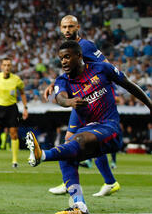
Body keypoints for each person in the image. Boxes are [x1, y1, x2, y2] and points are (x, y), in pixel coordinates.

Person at [26, 40, 152, 214]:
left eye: (67, 57)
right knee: (67, 154)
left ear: (79, 56)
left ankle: (44, 154)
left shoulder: (102, 69)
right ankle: (79, 205)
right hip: (89, 130)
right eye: (61, 58)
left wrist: (150, 104)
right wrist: (69, 101)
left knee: (77, 140)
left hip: (110, 127)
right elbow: (61, 98)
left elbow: (129, 85)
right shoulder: (63, 80)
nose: (63, 62)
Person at [43, 15, 120, 197]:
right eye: (64, 27)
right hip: (81, 98)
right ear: (60, 29)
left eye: (70, 26)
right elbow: (72, 70)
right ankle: (109, 181)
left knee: (73, 139)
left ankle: (72, 181)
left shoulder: (85, 46)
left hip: (91, 99)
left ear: (78, 27)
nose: (67, 30)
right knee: (77, 138)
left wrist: (103, 85)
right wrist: (55, 83)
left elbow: (105, 66)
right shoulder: (74, 47)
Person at [0, 57, 28, 168]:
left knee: (14, 134)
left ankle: (14, 161)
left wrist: (25, 108)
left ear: (11, 67)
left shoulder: (17, 79)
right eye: (4, 65)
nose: (7, 67)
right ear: (1, 67)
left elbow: (22, 93)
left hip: (11, 109)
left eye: (9, 65)